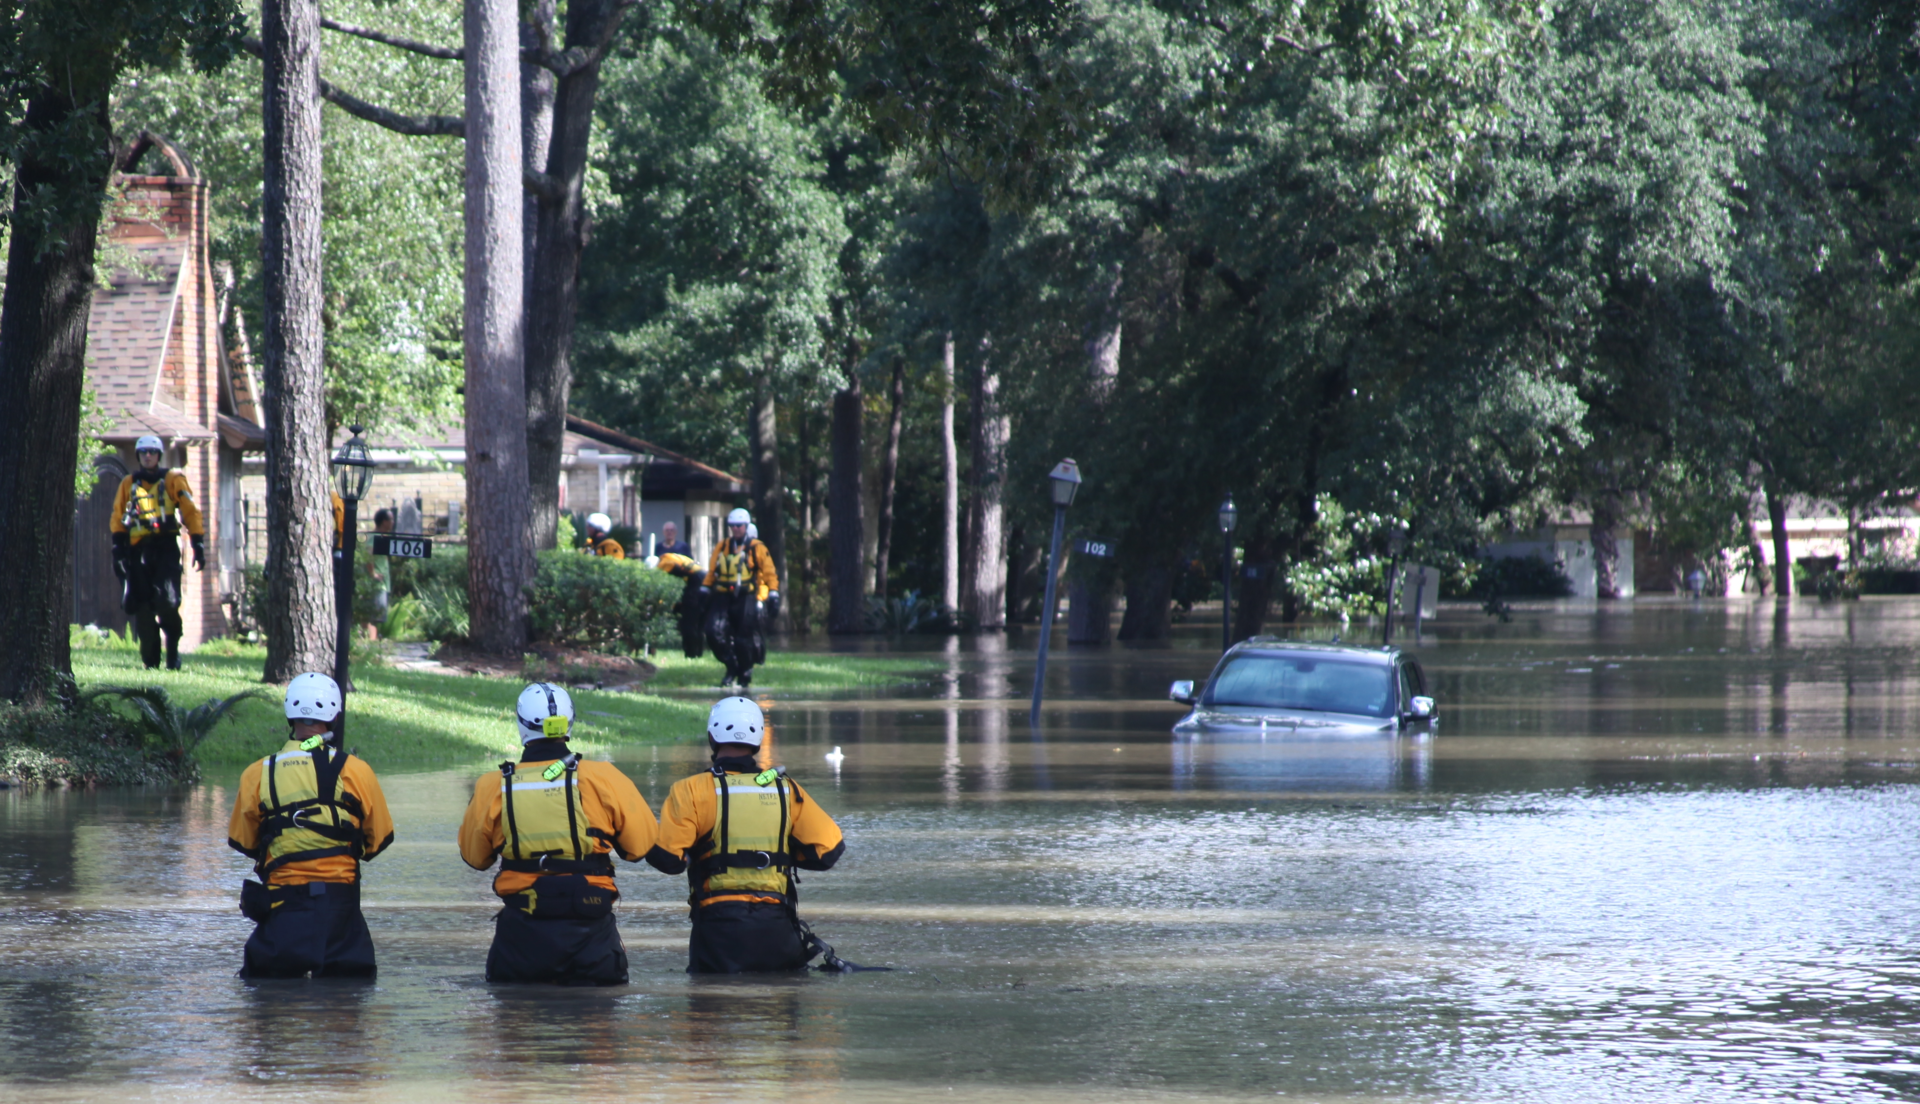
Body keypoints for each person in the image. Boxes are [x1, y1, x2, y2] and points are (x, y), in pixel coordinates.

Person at [458, 684, 657, 985]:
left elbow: (475, 858)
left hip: (520, 943)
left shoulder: (492, 785)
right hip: (592, 942)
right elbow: (639, 847)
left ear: (521, 725)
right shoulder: (605, 777)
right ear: (569, 724)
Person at [645, 697, 844, 973]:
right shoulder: (785, 788)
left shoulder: (690, 789)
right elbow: (828, 851)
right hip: (777, 929)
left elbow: (667, 860)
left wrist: (696, 855)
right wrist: (781, 853)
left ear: (712, 736)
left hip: (717, 932)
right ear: (758, 740)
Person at [227, 672, 395, 979]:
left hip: (282, 914)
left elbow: (246, 843)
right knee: (347, 1008)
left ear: (290, 713)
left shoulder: (256, 774)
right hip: (341, 919)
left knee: (269, 1007)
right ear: (334, 715)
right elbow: (377, 841)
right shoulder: (355, 770)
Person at [109, 435, 206, 670]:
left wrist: (198, 544)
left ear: (159, 455)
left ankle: (173, 653)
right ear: (139, 456)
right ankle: (150, 661)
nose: (148, 456)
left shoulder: (173, 479)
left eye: (152, 452)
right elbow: (117, 517)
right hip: (137, 551)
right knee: (141, 606)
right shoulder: (128, 483)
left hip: (165, 549)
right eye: (144, 453)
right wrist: (118, 552)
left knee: (167, 601)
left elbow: (190, 511)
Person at [701, 508, 779, 689]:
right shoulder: (722, 546)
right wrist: (704, 589)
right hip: (723, 596)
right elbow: (712, 570)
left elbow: (769, 572)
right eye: (733, 526)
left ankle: (745, 673)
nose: (736, 529)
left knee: (744, 639)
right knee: (713, 632)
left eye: (739, 526)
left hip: (746, 597)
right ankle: (731, 665)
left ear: (746, 526)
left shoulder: (757, 547)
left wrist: (773, 593)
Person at [655, 544, 708, 660]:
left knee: (688, 622)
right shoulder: (674, 556)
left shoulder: (663, 563)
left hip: (695, 583)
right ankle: (698, 653)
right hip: (705, 580)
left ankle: (691, 654)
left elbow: (666, 583)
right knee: (698, 623)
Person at [363, 508, 394, 638]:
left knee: (374, 617)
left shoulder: (383, 537)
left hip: (382, 583)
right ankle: (371, 646)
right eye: (391, 519)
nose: (393, 522)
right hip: (377, 584)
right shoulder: (374, 537)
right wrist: (373, 574)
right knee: (374, 617)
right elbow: (368, 555)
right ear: (384, 522)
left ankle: (370, 645)